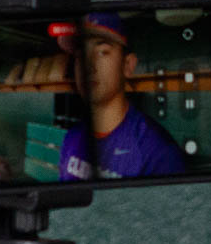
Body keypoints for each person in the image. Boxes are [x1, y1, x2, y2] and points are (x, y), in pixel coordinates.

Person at [59, 11, 185, 181]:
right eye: (81, 55)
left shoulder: (159, 154)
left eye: (102, 52)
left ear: (128, 65)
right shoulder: (73, 136)